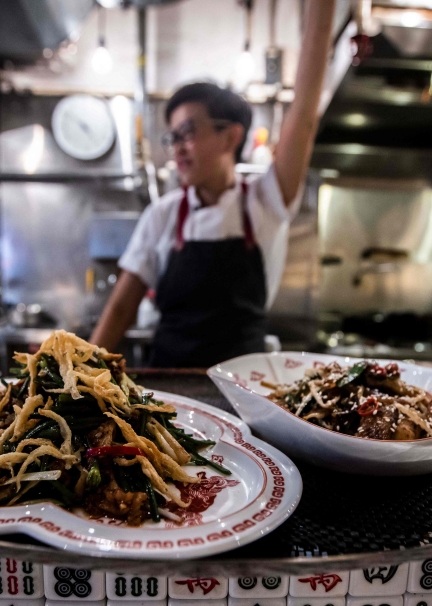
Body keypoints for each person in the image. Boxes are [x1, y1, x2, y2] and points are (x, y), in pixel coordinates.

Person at [90, 0, 337, 366]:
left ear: (230, 136)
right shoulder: (163, 214)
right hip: (169, 382)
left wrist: (322, 11)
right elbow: (120, 309)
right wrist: (79, 375)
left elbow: (303, 118)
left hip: (244, 385)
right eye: (173, 137)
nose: (178, 148)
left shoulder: (265, 200)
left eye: (188, 133)